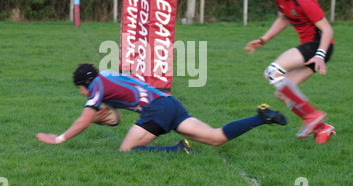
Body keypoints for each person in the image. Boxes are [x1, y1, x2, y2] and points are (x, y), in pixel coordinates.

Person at [36, 63, 287, 153]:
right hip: (169, 102)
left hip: (156, 109)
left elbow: (82, 120)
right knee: (215, 137)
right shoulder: (109, 77)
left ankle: (176, 150)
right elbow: (115, 120)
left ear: (85, 83)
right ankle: (261, 117)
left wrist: (58, 139)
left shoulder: (96, 86)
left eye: (80, 88)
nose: (82, 93)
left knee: (126, 150)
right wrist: (102, 119)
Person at [244, 0, 335, 144]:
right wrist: (264, 39)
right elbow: (283, 17)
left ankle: (311, 115)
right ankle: (321, 128)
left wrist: (319, 55)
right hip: (311, 47)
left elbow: (327, 29)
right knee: (283, 92)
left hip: (317, 46)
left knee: (272, 72)